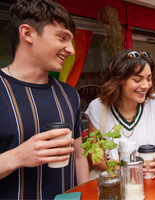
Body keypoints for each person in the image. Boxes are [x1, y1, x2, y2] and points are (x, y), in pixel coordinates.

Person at [0, 0, 89, 199]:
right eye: (62, 38)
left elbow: (79, 155)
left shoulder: (70, 94)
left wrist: (85, 194)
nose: (71, 49)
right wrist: (18, 156)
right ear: (28, 33)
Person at [85, 49, 155, 179]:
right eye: (137, 80)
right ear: (119, 80)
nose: (146, 85)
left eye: (149, 79)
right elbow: (95, 158)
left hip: (150, 182)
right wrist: (128, 167)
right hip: (113, 187)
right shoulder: (98, 108)